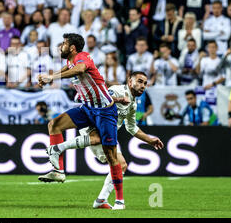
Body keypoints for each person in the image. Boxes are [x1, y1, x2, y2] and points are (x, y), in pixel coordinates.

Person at [36, 33, 125, 210]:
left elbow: (80, 69)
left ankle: (119, 201)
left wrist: (51, 78)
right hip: (86, 108)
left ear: (72, 48)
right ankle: (58, 171)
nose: (61, 46)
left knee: (111, 157)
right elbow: (66, 69)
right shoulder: (70, 62)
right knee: (54, 124)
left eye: (64, 43)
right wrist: (49, 76)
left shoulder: (83, 57)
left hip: (105, 111)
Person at [52, 72, 163, 208]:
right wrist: (119, 99)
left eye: (145, 83)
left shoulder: (133, 105)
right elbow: (102, 98)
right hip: (93, 123)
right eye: (139, 81)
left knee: (121, 164)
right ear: (129, 82)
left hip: (107, 133)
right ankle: (58, 148)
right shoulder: (117, 90)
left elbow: (132, 127)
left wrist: (150, 140)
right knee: (97, 139)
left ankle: (101, 200)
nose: (142, 86)